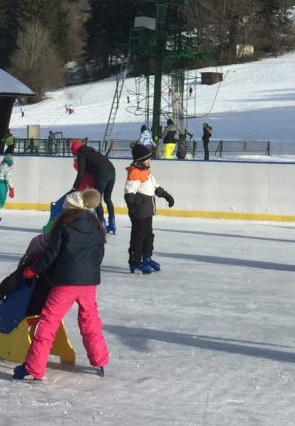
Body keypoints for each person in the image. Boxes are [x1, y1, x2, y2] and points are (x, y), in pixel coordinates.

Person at [12, 191, 110, 382]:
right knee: (90, 321)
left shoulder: (63, 225)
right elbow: (99, 256)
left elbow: (50, 256)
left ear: (68, 209)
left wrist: (33, 270)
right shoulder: (97, 225)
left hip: (66, 283)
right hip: (89, 283)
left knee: (48, 323)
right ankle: (100, 360)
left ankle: (34, 367)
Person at [122, 143, 175, 274]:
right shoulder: (135, 172)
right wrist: (132, 208)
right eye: (147, 159)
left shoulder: (146, 171)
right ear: (140, 160)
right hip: (138, 211)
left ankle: (147, 258)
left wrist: (166, 196)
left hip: (147, 210)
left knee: (148, 235)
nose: (149, 161)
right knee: (138, 236)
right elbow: (129, 192)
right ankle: (135, 261)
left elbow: (155, 186)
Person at [69, 138, 117, 234]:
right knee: (108, 198)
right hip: (112, 171)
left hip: (102, 173)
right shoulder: (92, 151)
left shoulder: (81, 154)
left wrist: (74, 187)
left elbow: (81, 173)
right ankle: (112, 222)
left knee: (96, 198)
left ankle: (101, 224)